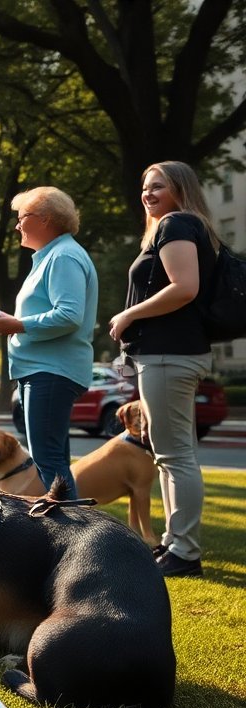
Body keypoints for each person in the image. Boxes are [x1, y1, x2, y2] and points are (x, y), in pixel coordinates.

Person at [108, 161, 221, 578]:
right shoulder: (180, 227)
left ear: (181, 190)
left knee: (175, 456)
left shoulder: (176, 224)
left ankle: (185, 553)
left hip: (169, 355)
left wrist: (127, 316)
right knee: (173, 455)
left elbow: (184, 288)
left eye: (160, 186)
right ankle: (175, 546)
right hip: (169, 354)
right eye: (145, 187)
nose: (149, 193)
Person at [0, 187, 97, 500]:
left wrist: (18, 324)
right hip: (46, 369)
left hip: (50, 370)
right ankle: (74, 528)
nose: (17, 225)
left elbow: (69, 315)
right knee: (54, 459)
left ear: (45, 219)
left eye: (22, 218)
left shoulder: (63, 256)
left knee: (48, 458)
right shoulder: (56, 255)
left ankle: (74, 530)